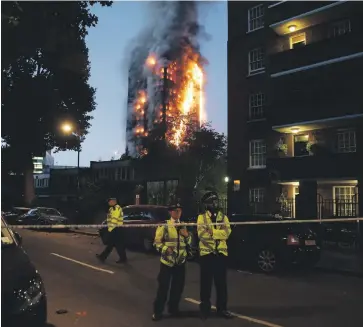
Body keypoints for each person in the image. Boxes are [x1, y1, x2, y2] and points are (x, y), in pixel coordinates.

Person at [152, 202, 191, 321]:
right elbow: (156, 243)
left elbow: (188, 243)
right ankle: (158, 311)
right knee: (163, 288)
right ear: (170, 212)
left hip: (180, 262)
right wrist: (166, 249)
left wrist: (187, 236)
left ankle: (173, 308)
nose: (178, 213)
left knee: (177, 288)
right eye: (175, 211)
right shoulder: (164, 225)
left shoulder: (183, 225)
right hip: (167, 262)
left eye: (180, 210)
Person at [197, 191, 233, 320]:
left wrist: (212, 232)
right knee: (205, 284)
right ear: (207, 204)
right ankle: (204, 310)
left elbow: (227, 233)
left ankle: (222, 309)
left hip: (220, 255)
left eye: (216, 201)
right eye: (212, 201)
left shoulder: (223, 217)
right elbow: (202, 235)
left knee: (221, 284)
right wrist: (217, 233)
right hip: (207, 255)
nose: (215, 203)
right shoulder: (201, 218)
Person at [96, 198, 127, 264]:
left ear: (113, 202)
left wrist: (110, 230)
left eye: (109, 201)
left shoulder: (117, 208)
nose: (108, 203)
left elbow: (114, 220)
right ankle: (122, 258)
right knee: (114, 244)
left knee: (114, 244)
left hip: (116, 228)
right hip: (114, 228)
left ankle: (103, 257)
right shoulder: (111, 209)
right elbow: (109, 219)